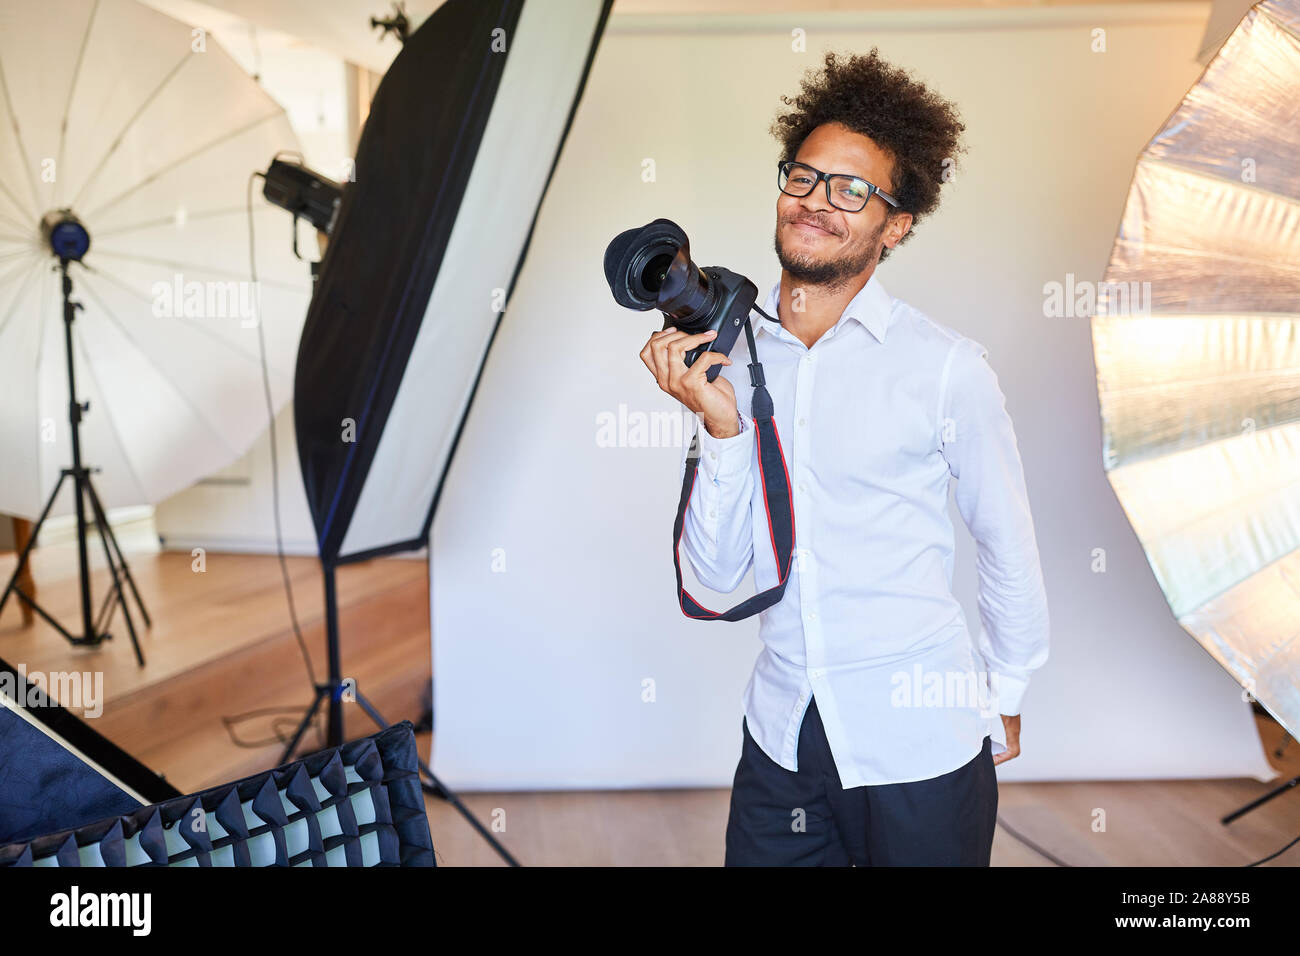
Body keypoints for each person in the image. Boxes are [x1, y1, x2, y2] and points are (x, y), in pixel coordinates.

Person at [638, 48, 1049, 866]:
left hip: (919, 742)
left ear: (895, 225)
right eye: (804, 176)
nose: (818, 203)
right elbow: (717, 573)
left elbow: (1006, 539)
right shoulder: (732, 357)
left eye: (852, 190)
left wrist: (1007, 688)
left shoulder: (946, 369)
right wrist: (721, 430)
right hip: (781, 735)